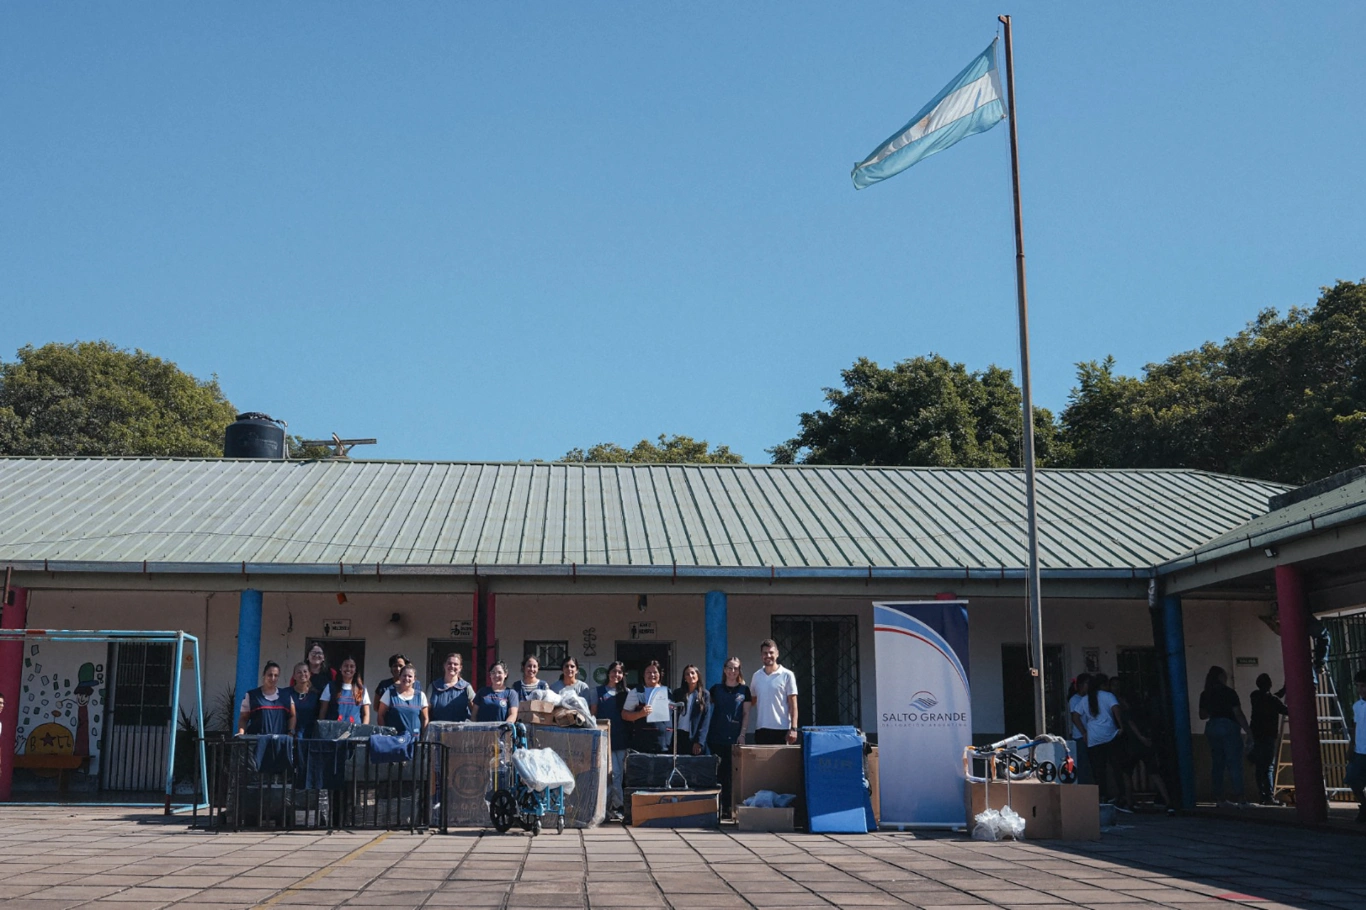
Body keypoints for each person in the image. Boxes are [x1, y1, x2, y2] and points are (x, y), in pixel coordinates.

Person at [1198, 665, 1251, 806]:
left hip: (1212, 727)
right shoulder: (1229, 693)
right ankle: (1241, 798)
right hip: (1228, 726)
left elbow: (1202, 715)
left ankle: (1219, 798)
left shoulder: (1205, 694)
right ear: (1221, 677)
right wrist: (1248, 731)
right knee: (1234, 763)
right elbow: (1238, 713)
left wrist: (1213, 710)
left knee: (1217, 764)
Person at [707, 657, 752, 815]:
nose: (733, 671)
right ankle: (715, 808)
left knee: (731, 774)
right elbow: (706, 709)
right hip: (716, 737)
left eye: (736, 668)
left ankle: (728, 808)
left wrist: (742, 734)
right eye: (730, 668)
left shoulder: (744, 690)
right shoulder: (715, 689)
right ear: (725, 670)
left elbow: (746, 714)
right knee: (717, 773)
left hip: (734, 738)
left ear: (739, 671)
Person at [1071, 671, 1123, 804]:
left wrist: (1084, 732)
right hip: (1110, 735)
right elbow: (1116, 709)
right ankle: (1120, 795)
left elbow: (1075, 716)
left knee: (1098, 770)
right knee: (1116, 767)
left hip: (1094, 737)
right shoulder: (1108, 696)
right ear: (1104, 685)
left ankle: (1102, 796)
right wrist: (1121, 726)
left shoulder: (1085, 699)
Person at [593, 661, 630, 821]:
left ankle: (617, 806)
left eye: (620, 672)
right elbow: (593, 714)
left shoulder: (627, 693)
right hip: (603, 738)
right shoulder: (598, 691)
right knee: (605, 774)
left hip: (621, 738)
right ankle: (605, 807)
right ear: (608, 673)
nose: (616, 675)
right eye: (614, 671)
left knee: (618, 774)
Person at [1248, 673, 1288, 805]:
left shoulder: (1254, 696)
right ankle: (1269, 796)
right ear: (1269, 684)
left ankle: (1262, 795)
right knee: (1268, 766)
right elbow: (1283, 708)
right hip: (1269, 736)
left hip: (1256, 735)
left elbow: (1272, 698)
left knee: (1260, 766)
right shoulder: (1272, 701)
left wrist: (1283, 691)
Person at [750, 639, 798, 745]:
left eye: (771, 652)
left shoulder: (787, 675)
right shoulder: (756, 676)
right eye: (765, 653)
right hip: (761, 729)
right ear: (761, 655)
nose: (768, 655)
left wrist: (794, 728)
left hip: (782, 729)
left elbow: (793, 704)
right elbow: (752, 701)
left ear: (777, 654)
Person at [622, 660, 673, 754]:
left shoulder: (668, 692)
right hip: (644, 746)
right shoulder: (636, 692)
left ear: (660, 674)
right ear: (643, 675)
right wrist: (640, 714)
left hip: (666, 745)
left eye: (655, 672)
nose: (652, 675)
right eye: (648, 672)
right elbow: (624, 715)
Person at [238, 661, 296, 736]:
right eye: (270, 675)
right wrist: (241, 734)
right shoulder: (251, 695)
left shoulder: (286, 696)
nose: (273, 678)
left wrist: (291, 732)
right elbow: (244, 718)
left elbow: (292, 715)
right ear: (264, 675)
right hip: (257, 741)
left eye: (276, 675)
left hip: (279, 741)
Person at [378, 665, 429, 737]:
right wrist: (385, 734)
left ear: (414, 679)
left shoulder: (421, 695)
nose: (406, 678)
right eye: (404, 676)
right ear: (399, 677)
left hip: (414, 739)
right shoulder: (389, 693)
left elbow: (425, 718)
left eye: (410, 676)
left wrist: (424, 736)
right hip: (394, 739)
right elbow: (380, 715)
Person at [673, 664, 712, 756]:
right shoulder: (678, 693)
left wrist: (699, 741)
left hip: (693, 736)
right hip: (678, 735)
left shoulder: (704, 695)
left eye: (692, 673)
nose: (690, 676)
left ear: (698, 676)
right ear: (684, 678)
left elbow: (705, 720)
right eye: (687, 674)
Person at [319, 657, 370, 724]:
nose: (348, 669)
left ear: (355, 670)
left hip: (355, 729)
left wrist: (363, 728)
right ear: (340, 668)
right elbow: (323, 711)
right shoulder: (330, 686)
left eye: (352, 666)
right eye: (346, 666)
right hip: (334, 729)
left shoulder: (362, 689)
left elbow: (366, 714)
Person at [1344, 669, 1366, 824]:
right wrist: (1351, 746)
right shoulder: (1357, 705)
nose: (1360, 689)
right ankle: (1364, 806)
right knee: (1352, 779)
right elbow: (1356, 726)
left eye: (1363, 686)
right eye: (1358, 686)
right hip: (1359, 751)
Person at [428, 652, 473, 723]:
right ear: (444, 665)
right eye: (449, 663)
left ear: (460, 668)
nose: (452, 666)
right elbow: (425, 712)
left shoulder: (467, 687)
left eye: (456, 664)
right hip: (439, 729)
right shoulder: (433, 686)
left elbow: (475, 711)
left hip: (460, 729)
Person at [1066, 674, 1093, 785]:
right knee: (1083, 763)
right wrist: (1084, 732)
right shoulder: (1074, 700)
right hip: (1080, 736)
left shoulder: (1090, 698)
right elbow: (1075, 717)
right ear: (1081, 685)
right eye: (1087, 683)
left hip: (1092, 735)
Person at [287, 661, 321, 737]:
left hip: (309, 736)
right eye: (299, 672)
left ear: (309, 674)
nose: (302, 674)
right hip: (289, 735)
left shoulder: (316, 695)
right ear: (294, 676)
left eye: (305, 671)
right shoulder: (286, 693)